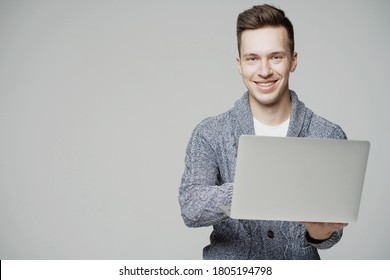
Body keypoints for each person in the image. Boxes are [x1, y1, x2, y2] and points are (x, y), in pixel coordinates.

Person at [178, 4, 348, 260]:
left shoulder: (328, 135)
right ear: (240, 64)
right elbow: (191, 208)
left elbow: (330, 234)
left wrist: (319, 233)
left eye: (276, 57)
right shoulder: (210, 133)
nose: (264, 70)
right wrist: (253, 186)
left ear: (293, 60)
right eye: (252, 58)